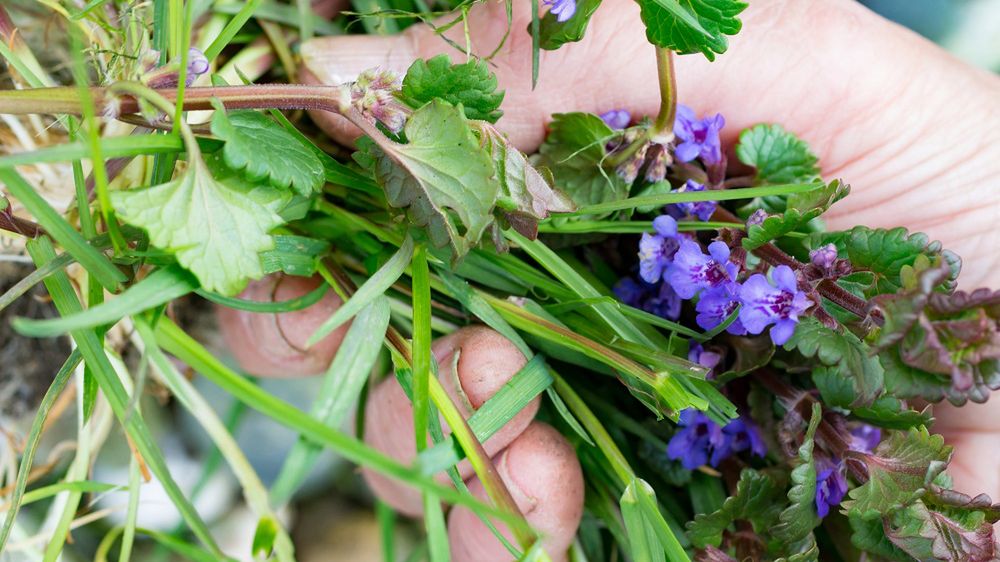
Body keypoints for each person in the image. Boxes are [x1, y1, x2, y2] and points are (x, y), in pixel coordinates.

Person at [218, 0, 1000, 559]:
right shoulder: (783, 267)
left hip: (690, 282)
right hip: (685, 211)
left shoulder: (775, 332)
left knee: (492, 431)